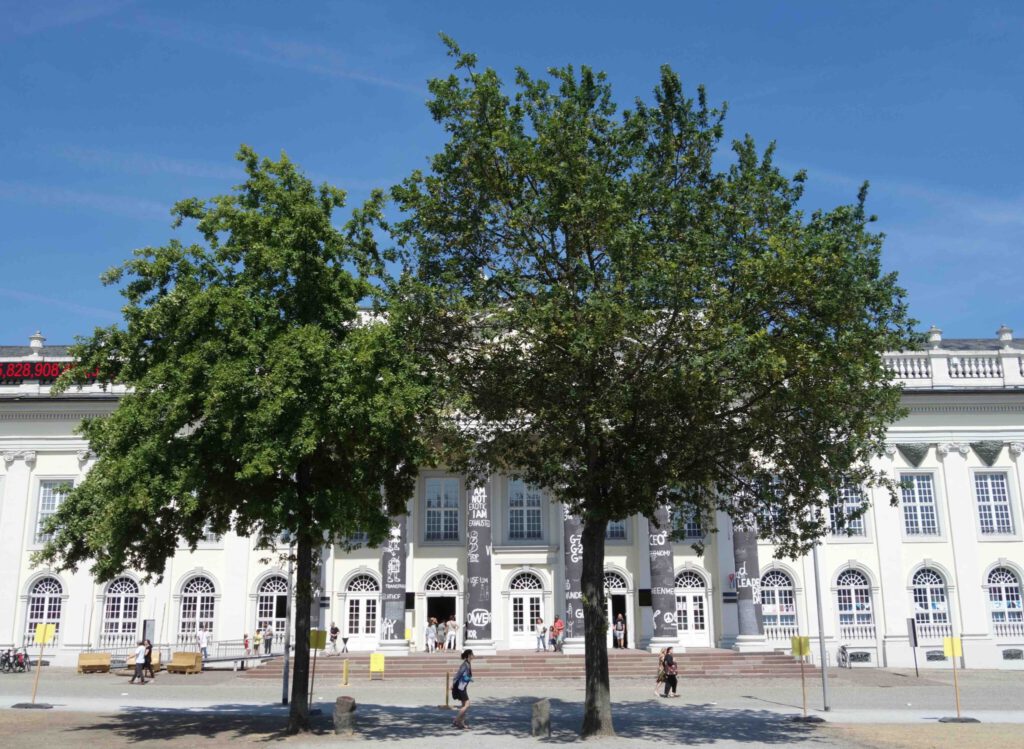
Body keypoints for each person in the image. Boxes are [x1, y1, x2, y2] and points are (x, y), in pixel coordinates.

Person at [450, 649, 474, 730]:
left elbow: (465, 675)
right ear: (469, 655)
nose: (473, 655)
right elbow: (458, 675)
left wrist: (468, 678)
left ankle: (461, 723)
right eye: (472, 654)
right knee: (467, 705)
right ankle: (456, 720)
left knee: (464, 706)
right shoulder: (465, 665)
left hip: (463, 686)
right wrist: (453, 684)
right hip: (461, 687)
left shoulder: (468, 663)